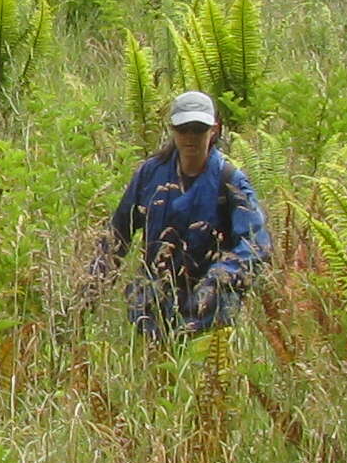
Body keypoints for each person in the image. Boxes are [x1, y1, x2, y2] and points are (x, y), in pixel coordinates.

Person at [99, 89, 266, 337]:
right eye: (183, 128)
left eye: (198, 129)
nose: (190, 136)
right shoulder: (150, 174)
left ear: (214, 130)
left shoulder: (230, 180)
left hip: (210, 311)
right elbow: (117, 237)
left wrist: (217, 280)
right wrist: (90, 291)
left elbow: (256, 246)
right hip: (152, 304)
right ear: (172, 130)